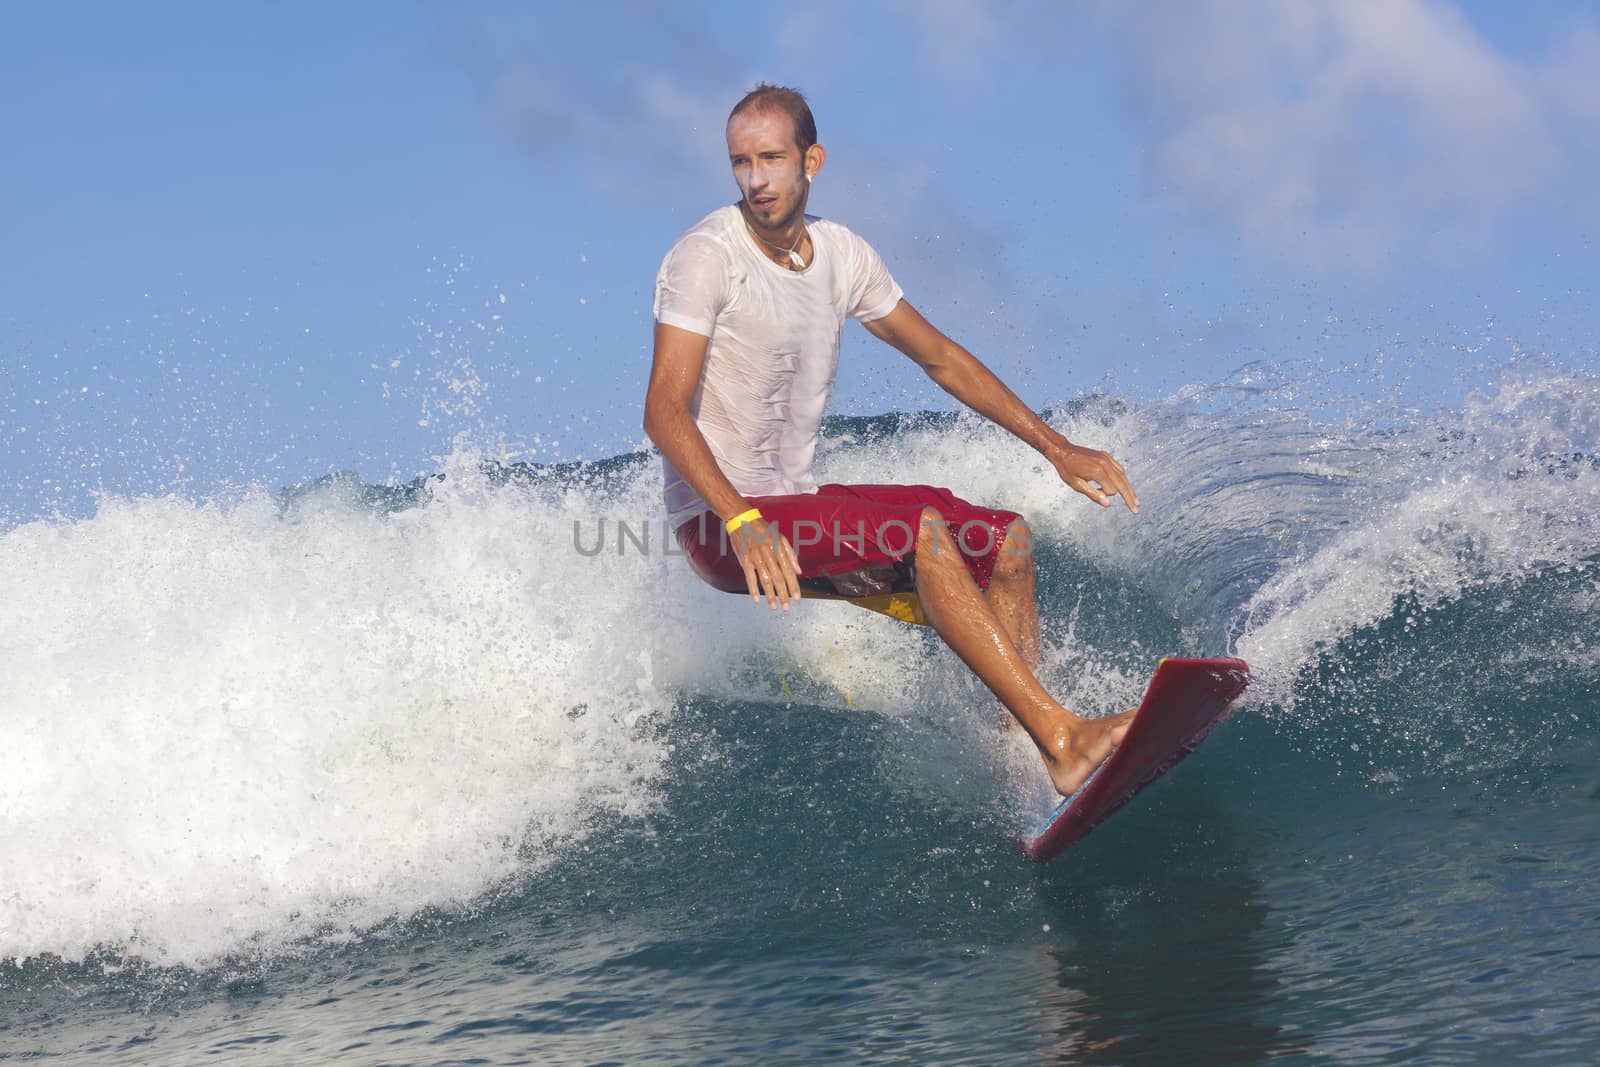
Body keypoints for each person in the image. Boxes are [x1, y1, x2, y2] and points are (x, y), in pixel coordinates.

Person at [642, 84, 1141, 797]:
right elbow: (663, 411)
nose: (756, 179)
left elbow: (942, 359)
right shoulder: (705, 257)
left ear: (811, 160)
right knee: (925, 536)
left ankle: (1024, 764)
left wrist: (1057, 448)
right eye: (741, 162)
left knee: (1006, 542)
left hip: (794, 503)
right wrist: (742, 519)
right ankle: (1062, 736)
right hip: (722, 523)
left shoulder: (842, 254)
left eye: (772, 158)